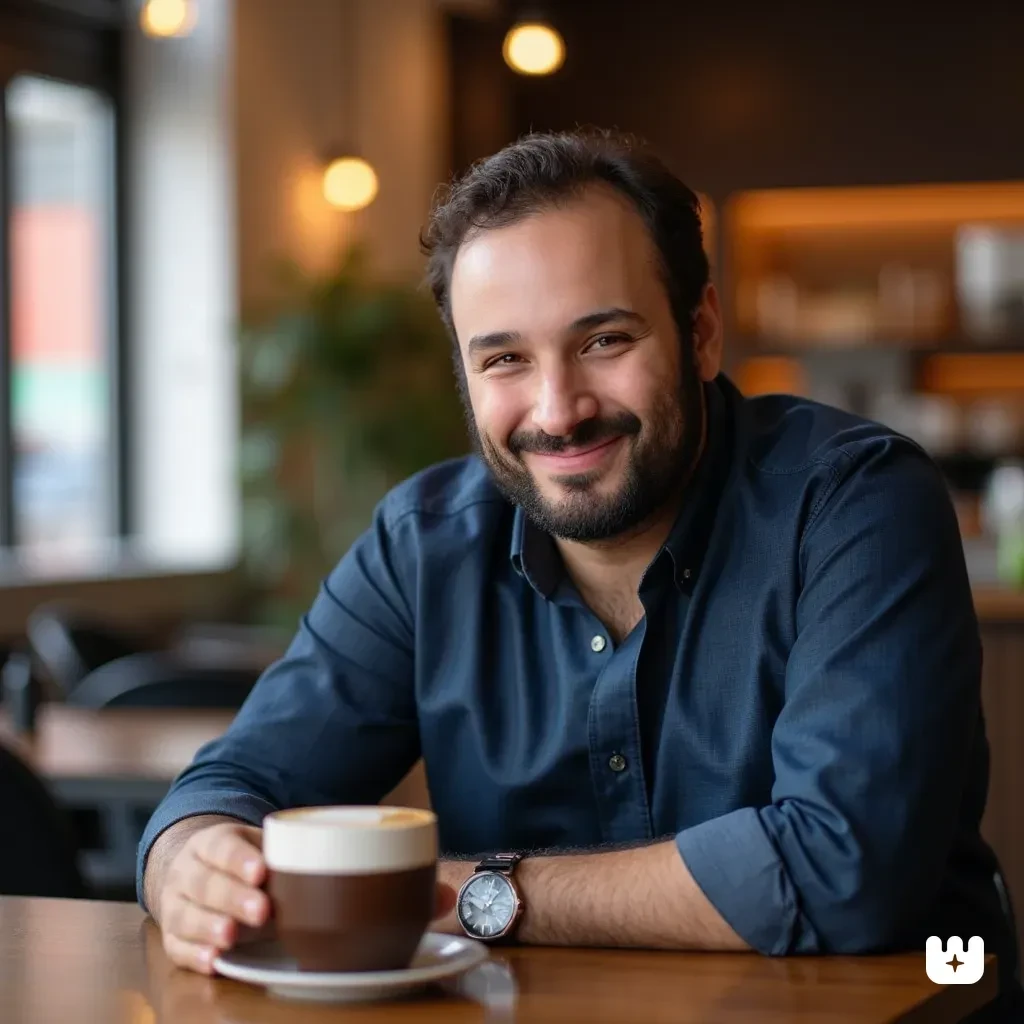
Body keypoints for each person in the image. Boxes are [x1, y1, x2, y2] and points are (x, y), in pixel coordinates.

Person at [138, 129, 1019, 1013]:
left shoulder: (855, 503)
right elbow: (227, 789)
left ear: (701, 331)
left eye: (603, 340)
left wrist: (466, 894)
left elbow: (843, 869)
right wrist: (192, 862)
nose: (558, 411)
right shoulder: (424, 543)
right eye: (505, 358)